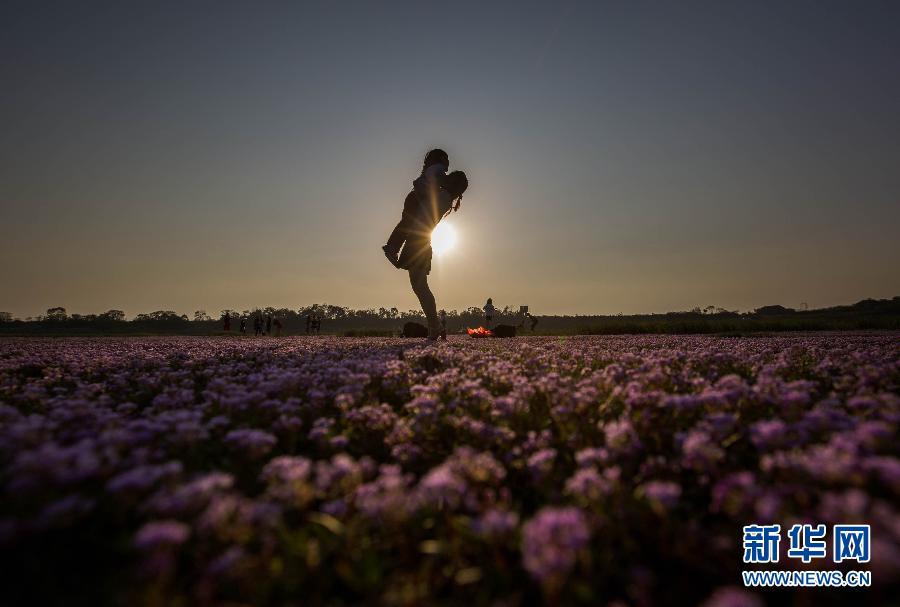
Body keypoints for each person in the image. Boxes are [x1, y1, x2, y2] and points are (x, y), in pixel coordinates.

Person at [396, 170, 469, 340]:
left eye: (448, 177)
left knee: (421, 287)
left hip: (418, 242)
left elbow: (423, 203)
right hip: (420, 240)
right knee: (420, 287)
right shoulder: (445, 197)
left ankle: (435, 327)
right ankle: (435, 326)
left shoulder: (443, 196)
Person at [382, 149, 449, 267]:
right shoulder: (437, 168)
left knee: (408, 225)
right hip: (417, 198)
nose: (448, 161)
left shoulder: (432, 169)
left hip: (414, 198)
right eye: (446, 158)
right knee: (408, 225)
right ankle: (392, 248)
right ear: (440, 159)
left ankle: (396, 250)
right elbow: (436, 178)